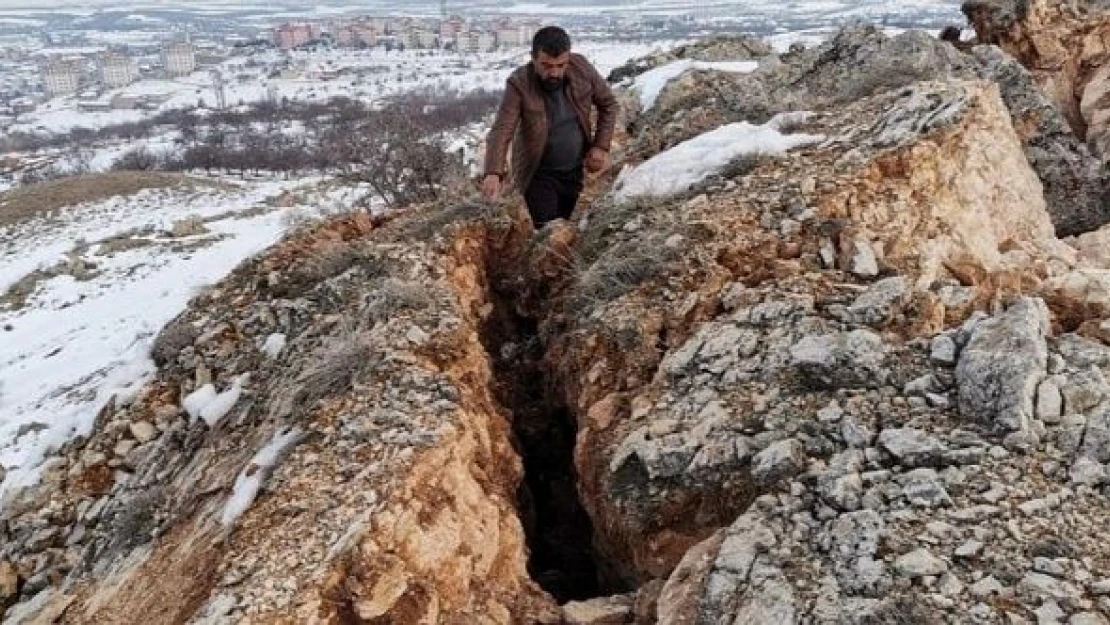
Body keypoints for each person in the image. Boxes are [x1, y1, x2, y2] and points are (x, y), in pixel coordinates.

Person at [481, 26, 618, 228]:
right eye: (546, 66)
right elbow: (502, 129)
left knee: (564, 222)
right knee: (547, 230)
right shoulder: (519, 83)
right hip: (538, 173)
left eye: (560, 65)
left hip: (574, 169)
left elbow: (609, 105)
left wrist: (600, 146)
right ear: (533, 58)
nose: (554, 72)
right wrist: (493, 172)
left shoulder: (582, 68)